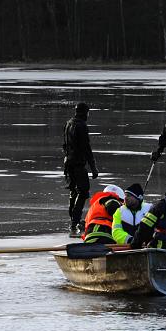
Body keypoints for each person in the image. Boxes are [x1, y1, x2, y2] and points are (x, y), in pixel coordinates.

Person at [63, 102, 99, 238]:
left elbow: (65, 145)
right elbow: (86, 148)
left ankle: (73, 220)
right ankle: (75, 221)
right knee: (83, 191)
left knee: (73, 190)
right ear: (85, 113)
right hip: (78, 163)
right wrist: (93, 167)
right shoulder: (81, 126)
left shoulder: (68, 123)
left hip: (68, 162)